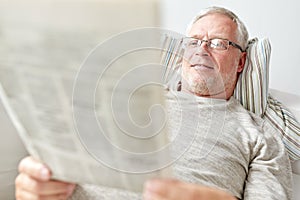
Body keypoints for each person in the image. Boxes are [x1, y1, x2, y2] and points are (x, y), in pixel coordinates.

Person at [15, 6, 293, 200]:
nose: (202, 50)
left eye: (219, 43)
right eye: (194, 41)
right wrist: (38, 185)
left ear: (242, 61)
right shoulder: (128, 100)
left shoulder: (260, 136)